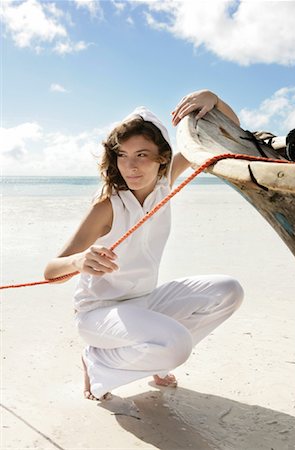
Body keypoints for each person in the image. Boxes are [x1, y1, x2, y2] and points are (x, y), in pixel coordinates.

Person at [44, 90, 244, 401]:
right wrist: (79, 261)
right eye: (122, 155)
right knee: (177, 346)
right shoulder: (107, 207)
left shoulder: (165, 183)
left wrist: (214, 100)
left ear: (162, 157)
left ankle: (153, 353)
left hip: (144, 301)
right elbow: (50, 271)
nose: (130, 166)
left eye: (141, 155)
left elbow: (224, 134)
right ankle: (96, 361)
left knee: (228, 291)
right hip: (98, 315)